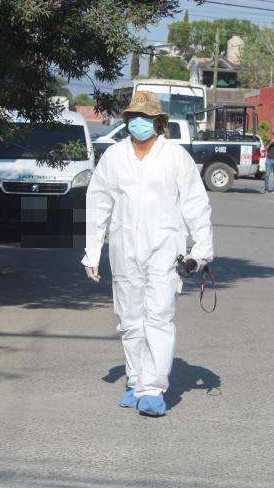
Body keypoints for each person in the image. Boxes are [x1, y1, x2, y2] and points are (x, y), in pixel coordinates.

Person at [82, 91, 214, 417]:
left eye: (144, 118)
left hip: (165, 248)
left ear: (158, 122)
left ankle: (153, 389)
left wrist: (201, 252)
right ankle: (135, 379)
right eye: (132, 117)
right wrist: (92, 252)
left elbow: (196, 204)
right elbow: (98, 204)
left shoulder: (175, 157)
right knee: (129, 319)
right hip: (124, 247)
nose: (137, 123)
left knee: (157, 316)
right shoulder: (114, 157)